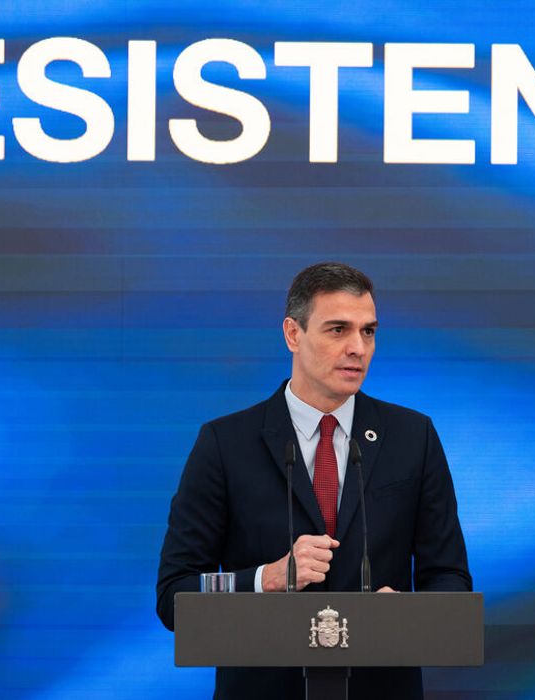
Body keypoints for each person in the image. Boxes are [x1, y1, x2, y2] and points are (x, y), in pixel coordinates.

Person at [156, 262, 471, 699]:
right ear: (293, 333)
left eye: (368, 332)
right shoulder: (226, 444)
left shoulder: (412, 437)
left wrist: (409, 613)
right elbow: (175, 595)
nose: (357, 348)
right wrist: (264, 579)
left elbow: (450, 579)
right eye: (338, 330)